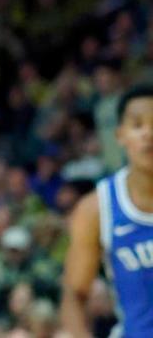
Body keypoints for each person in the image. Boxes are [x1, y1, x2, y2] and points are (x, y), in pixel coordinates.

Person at [61, 85, 153, 337]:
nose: (149, 133)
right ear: (120, 135)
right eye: (138, 125)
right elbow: (74, 295)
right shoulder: (96, 209)